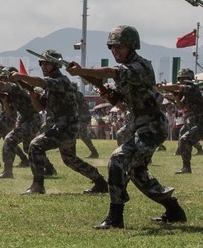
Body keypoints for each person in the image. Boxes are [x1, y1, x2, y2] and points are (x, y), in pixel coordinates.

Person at [68, 25, 187, 229]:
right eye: (112, 48)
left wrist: (81, 70)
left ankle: (115, 218)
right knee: (137, 172)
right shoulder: (125, 70)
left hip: (152, 124)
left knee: (118, 159)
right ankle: (174, 210)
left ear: (132, 46)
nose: (115, 51)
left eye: (120, 47)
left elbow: (109, 72)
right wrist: (99, 86)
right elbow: (118, 100)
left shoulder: (140, 66)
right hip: (137, 122)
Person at [9, 50, 107, 195]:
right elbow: (40, 107)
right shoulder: (52, 85)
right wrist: (33, 95)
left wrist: (20, 76)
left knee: (35, 145)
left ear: (55, 65)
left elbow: (40, 82)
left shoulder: (61, 81)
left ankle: (37, 186)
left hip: (66, 126)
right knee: (70, 159)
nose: (43, 67)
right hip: (62, 126)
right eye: (41, 64)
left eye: (46, 64)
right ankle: (100, 182)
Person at [158, 68, 203, 174]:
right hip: (196, 122)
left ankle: (187, 167)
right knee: (183, 137)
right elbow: (181, 106)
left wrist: (163, 87)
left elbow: (178, 87)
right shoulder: (185, 92)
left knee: (184, 139)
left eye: (182, 79)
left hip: (201, 122)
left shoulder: (192, 88)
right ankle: (186, 167)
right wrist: (176, 97)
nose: (180, 81)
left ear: (187, 79)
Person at [74, 88, 100, 159]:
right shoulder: (80, 97)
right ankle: (94, 152)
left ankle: (94, 152)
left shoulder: (77, 98)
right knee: (83, 136)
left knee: (77, 134)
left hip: (82, 119)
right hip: (83, 119)